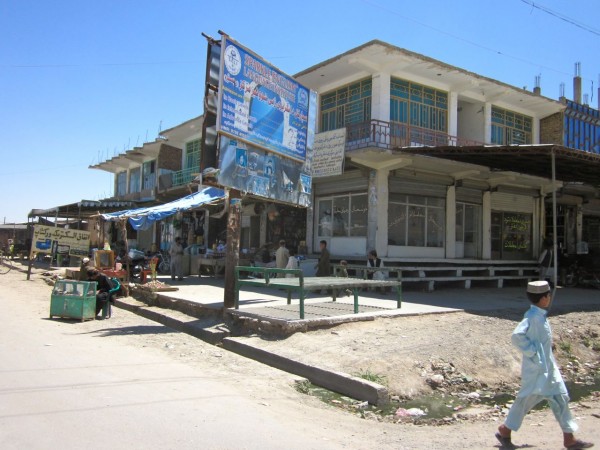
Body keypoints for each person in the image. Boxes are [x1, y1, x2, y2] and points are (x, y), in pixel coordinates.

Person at [495, 280, 593, 450]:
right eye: (548, 295)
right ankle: (505, 430)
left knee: (560, 398)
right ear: (543, 298)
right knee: (527, 400)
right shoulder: (532, 317)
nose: (549, 298)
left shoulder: (539, 315)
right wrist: (533, 352)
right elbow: (516, 336)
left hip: (547, 369)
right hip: (537, 370)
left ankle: (569, 438)